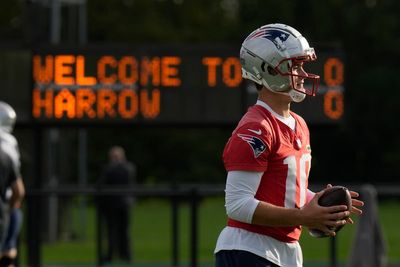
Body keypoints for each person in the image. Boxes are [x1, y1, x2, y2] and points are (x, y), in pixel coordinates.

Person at [214, 23, 364, 267]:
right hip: (250, 249)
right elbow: (237, 205)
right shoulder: (256, 127)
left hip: (285, 250)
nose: (302, 73)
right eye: (294, 66)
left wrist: (318, 205)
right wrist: (304, 216)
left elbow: (285, 192)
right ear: (267, 69)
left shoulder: (299, 124)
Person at [97, 146, 136, 263]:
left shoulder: (125, 168)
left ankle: (125, 254)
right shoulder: (110, 169)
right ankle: (111, 254)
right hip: (111, 205)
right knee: (111, 231)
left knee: (123, 230)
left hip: (122, 204)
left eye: (116, 156)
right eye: (113, 156)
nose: (115, 159)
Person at [0, 101, 25, 267]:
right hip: (3, 208)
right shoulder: (7, 149)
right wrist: (12, 206)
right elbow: (19, 190)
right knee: (8, 253)